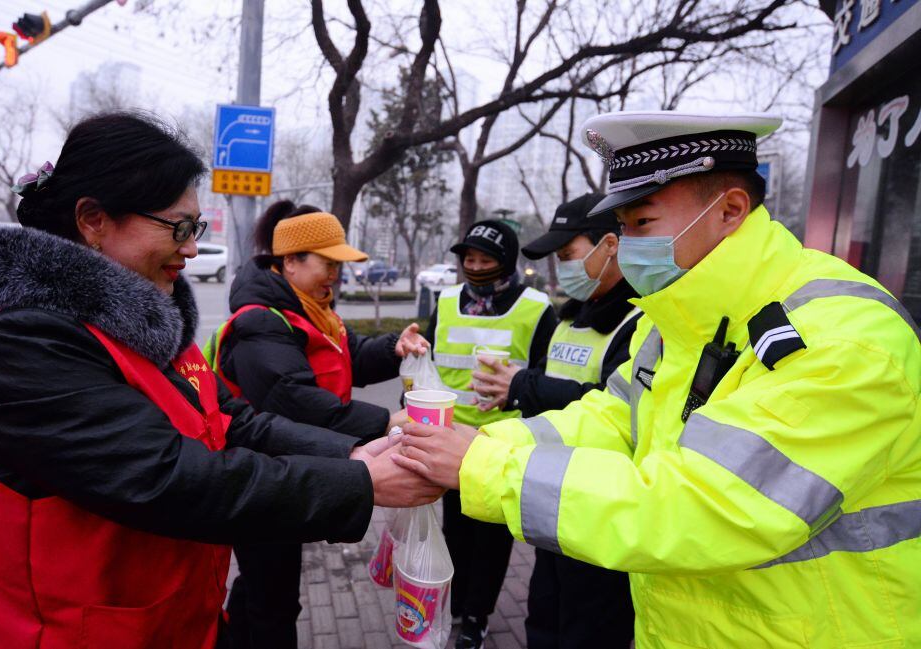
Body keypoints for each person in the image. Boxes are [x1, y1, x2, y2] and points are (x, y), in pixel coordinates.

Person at [0, 112, 440, 649]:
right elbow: (164, 477)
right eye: (179, 227)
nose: (190, 248)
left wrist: (353, 453)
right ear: (93, 219)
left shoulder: (146, 321)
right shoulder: (19, 343)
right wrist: (360, 485)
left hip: (176, 623)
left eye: (197, 228)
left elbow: (233, 422)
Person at [394, 110, 921, 647]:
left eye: (642, 224)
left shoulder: (844, 337)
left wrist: (484, 468)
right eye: (622, 228)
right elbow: (615, 417)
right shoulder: (680, 317)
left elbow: (709, 506)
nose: (626, 246)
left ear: (730, 211)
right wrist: (471, 442)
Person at [205, 200, 429, 649]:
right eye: (326, 264)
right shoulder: (260, 324)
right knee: (276, 598)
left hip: (294, 464)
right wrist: (384, 422)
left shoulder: (311, 307)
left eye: (338, 265)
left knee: (260, 585)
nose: (334, 276)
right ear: (290, 262)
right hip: (262, 476)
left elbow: (344, 360)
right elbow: (294, 399)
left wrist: (393, 348)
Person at [471, 193, 638, 647]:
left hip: (604, 511)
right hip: (555, 502)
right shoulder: (571, 319)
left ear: (610, 246)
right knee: (544, 619)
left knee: (589, 631)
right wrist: (510, 394)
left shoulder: (641, 325)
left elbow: (616, 406)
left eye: (567, 255)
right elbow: (550, 388)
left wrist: (524, 386)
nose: (560, 268)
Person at [422, 219, 557, 649]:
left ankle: (478, 616)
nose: (475, 267)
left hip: (503, 444)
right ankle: (457, 603)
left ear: (506, 263)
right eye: (469, 259)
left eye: (486, 260)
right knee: (455, 530)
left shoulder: (537, 308)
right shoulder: (444, 301)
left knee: (492, 540)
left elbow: (544, 373)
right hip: (448, 437)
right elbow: (429, 357)